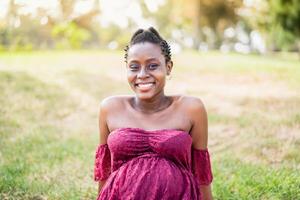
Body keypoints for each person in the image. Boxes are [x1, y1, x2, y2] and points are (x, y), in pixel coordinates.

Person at [94, 27, 213, 200]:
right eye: (134, 67)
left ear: (169, 67)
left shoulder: (192, 108)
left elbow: (201, 173)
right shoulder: (110, 108)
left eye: (152, 66)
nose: (142, 75)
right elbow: (105, 172)